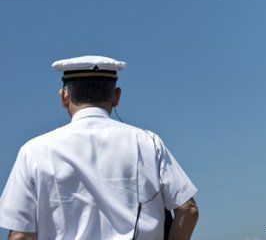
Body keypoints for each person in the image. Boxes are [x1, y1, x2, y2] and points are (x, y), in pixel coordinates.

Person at [0, 56, 199, 240]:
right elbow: (188, 209)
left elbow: (21, 236)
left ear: (64, 96)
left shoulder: (34, 151)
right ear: (116, 96)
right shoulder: (148, 142)